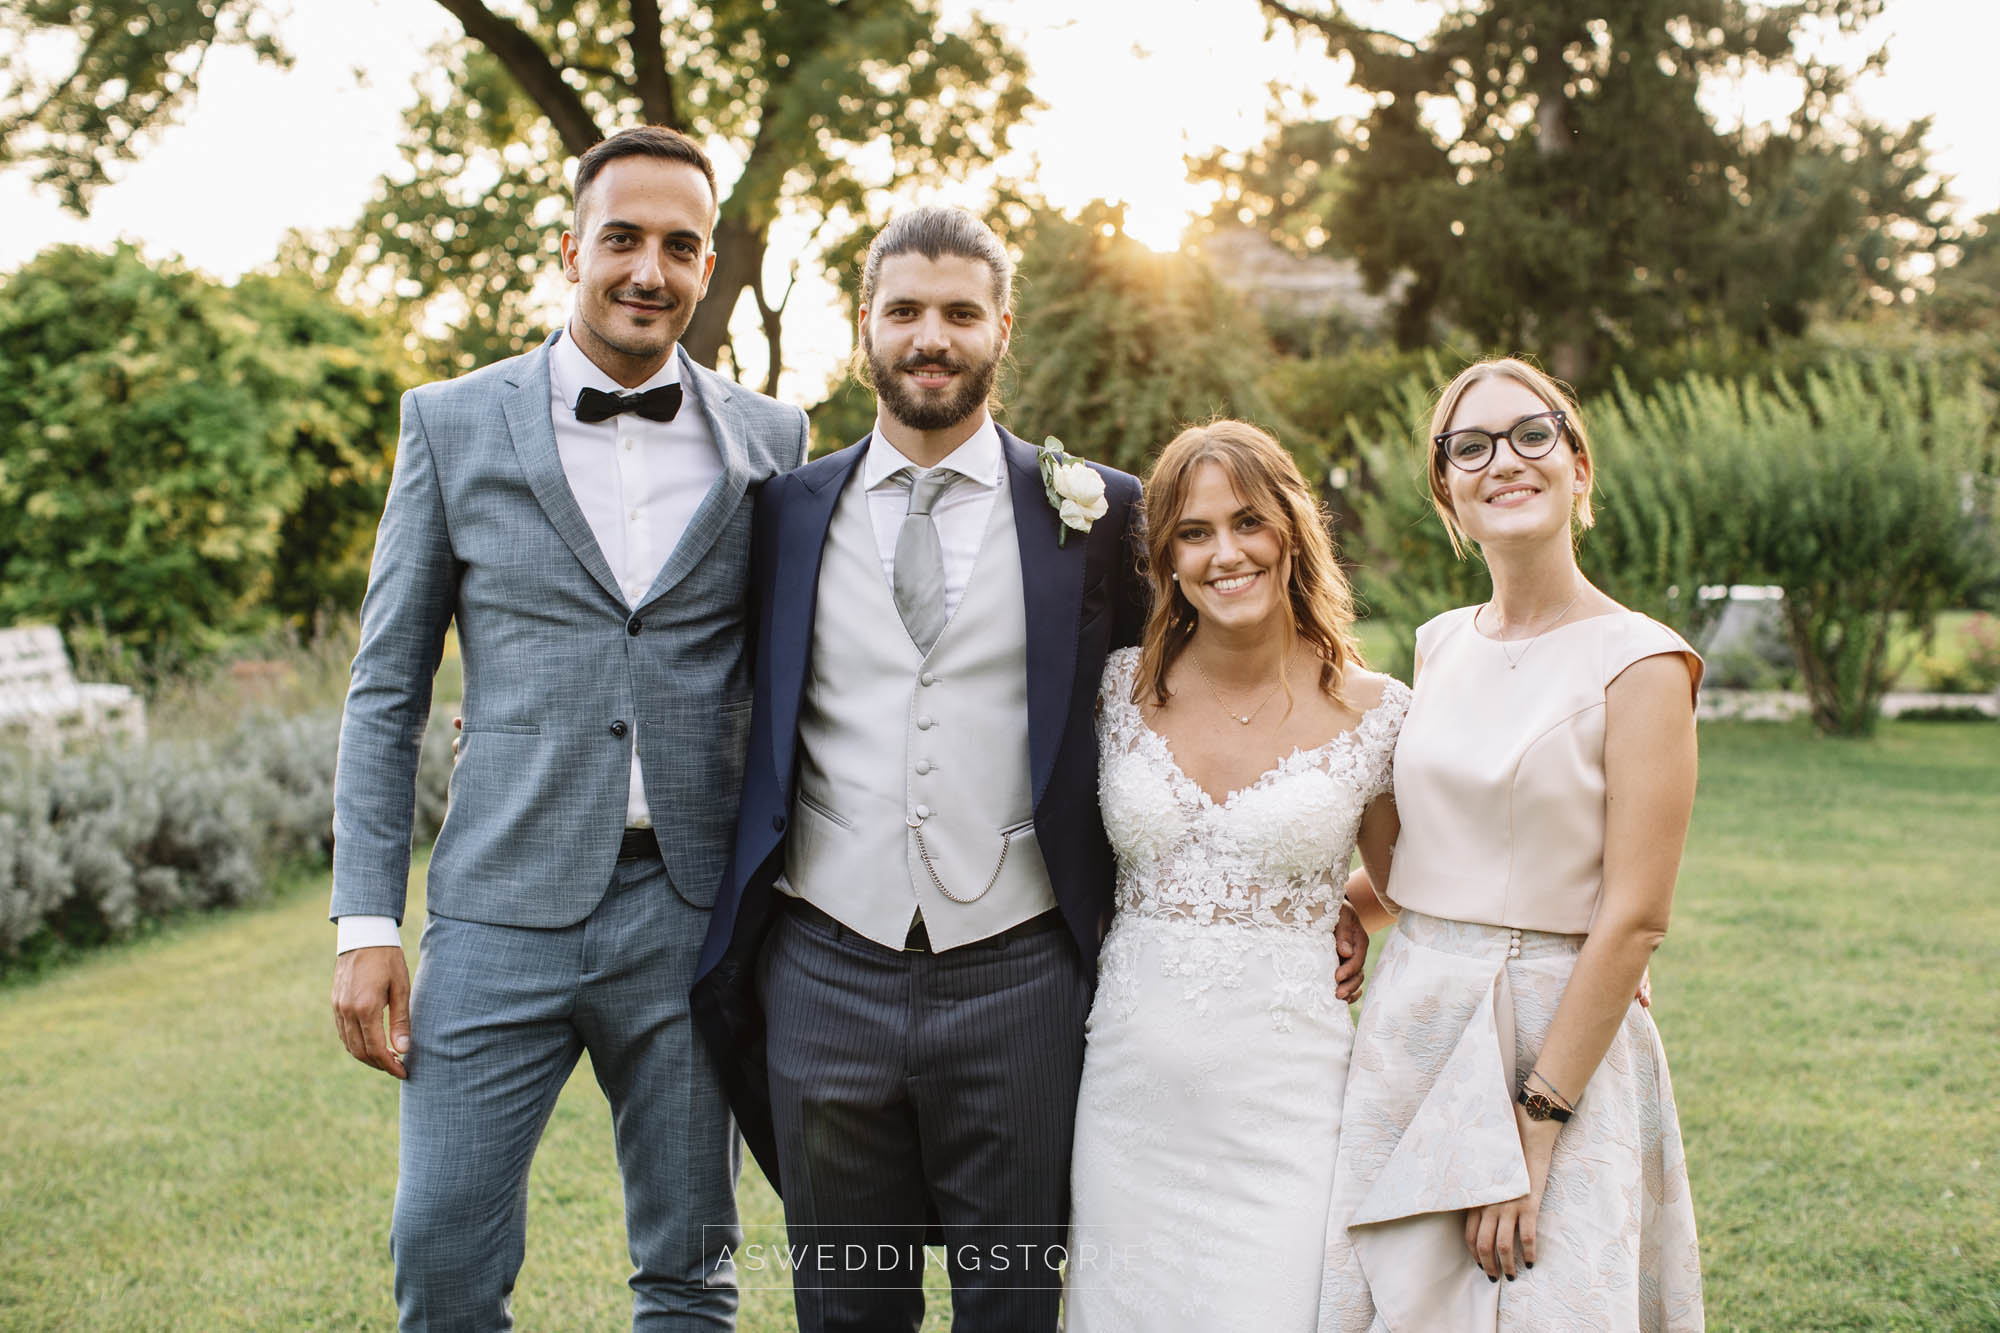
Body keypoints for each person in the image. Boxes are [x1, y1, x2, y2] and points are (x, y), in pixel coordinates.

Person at [327, 125, 808, 1330]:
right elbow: (387, 687)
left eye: (680, 246)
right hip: (497, 906)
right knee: (440, 1255)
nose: (650, 269)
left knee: (690, 1271)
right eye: (624, 239)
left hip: (694, 917)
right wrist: (367, 919)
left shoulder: (772, 439)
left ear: (707, 265)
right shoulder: (448, 422)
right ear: (571, 249)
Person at [690, 205, 1147, 1333]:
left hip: (1023, 974)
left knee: (1010, 1301)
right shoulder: (783, 514)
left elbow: (1170, 709)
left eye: (956, 312)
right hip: (822, 965)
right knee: (847, 1302)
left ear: (1001, 328)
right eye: (903, 311)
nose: (928, 336)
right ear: (864, 330)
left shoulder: (1097, 512)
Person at [1320, 357, 1705, 1331]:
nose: (1504, 460)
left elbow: (1634, 916)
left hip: (1554, 1032)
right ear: (1446, 489)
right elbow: (1447, 844)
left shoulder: (1640, 661)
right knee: (1393, 1299)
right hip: (1414, 1018)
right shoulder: (1438, 640)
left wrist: (1534, 1127)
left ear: (1577, 467)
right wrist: (1356, 907)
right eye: (1470, 445)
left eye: (1531, 434)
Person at [1062, 421, 1402, 1330]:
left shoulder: (1377, 712)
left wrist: (1350, 913)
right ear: (1165, 556)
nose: (1225, 553)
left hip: (1287, 1108)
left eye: (1247, 521)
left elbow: (1426, 877)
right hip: (1130, 1107)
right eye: (1194, 531)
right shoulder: (1114, 690)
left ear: (1292, 528)